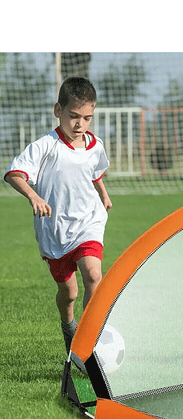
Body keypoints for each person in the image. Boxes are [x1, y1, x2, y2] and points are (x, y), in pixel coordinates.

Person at [4, 77, 112, 354]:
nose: (80, 125)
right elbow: (14, 174)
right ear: (58, 111)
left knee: (93, 274)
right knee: (69, 294)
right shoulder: (45, 145)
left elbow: (94, 172)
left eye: (87, 118)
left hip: (88, 221)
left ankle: (90, 344)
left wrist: (103, 193)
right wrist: (34, 195)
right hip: (55, 231)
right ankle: (69, 327)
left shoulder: (95, 145)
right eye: (74, 117)